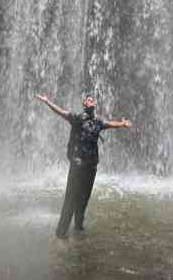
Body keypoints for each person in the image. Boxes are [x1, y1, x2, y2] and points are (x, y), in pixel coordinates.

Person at [34, 92, 131, 238]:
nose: (91, 101)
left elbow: (111, 124)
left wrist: (122, 124)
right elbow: (61, 112)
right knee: (71, 199)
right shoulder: (77, 118)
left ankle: (78, 227)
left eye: (92, 100)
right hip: (78, 165)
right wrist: (47, 102)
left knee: (84, 198)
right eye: (88, 100)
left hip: (91, 167)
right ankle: (61, 233)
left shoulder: (98, 121)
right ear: (84, 105)